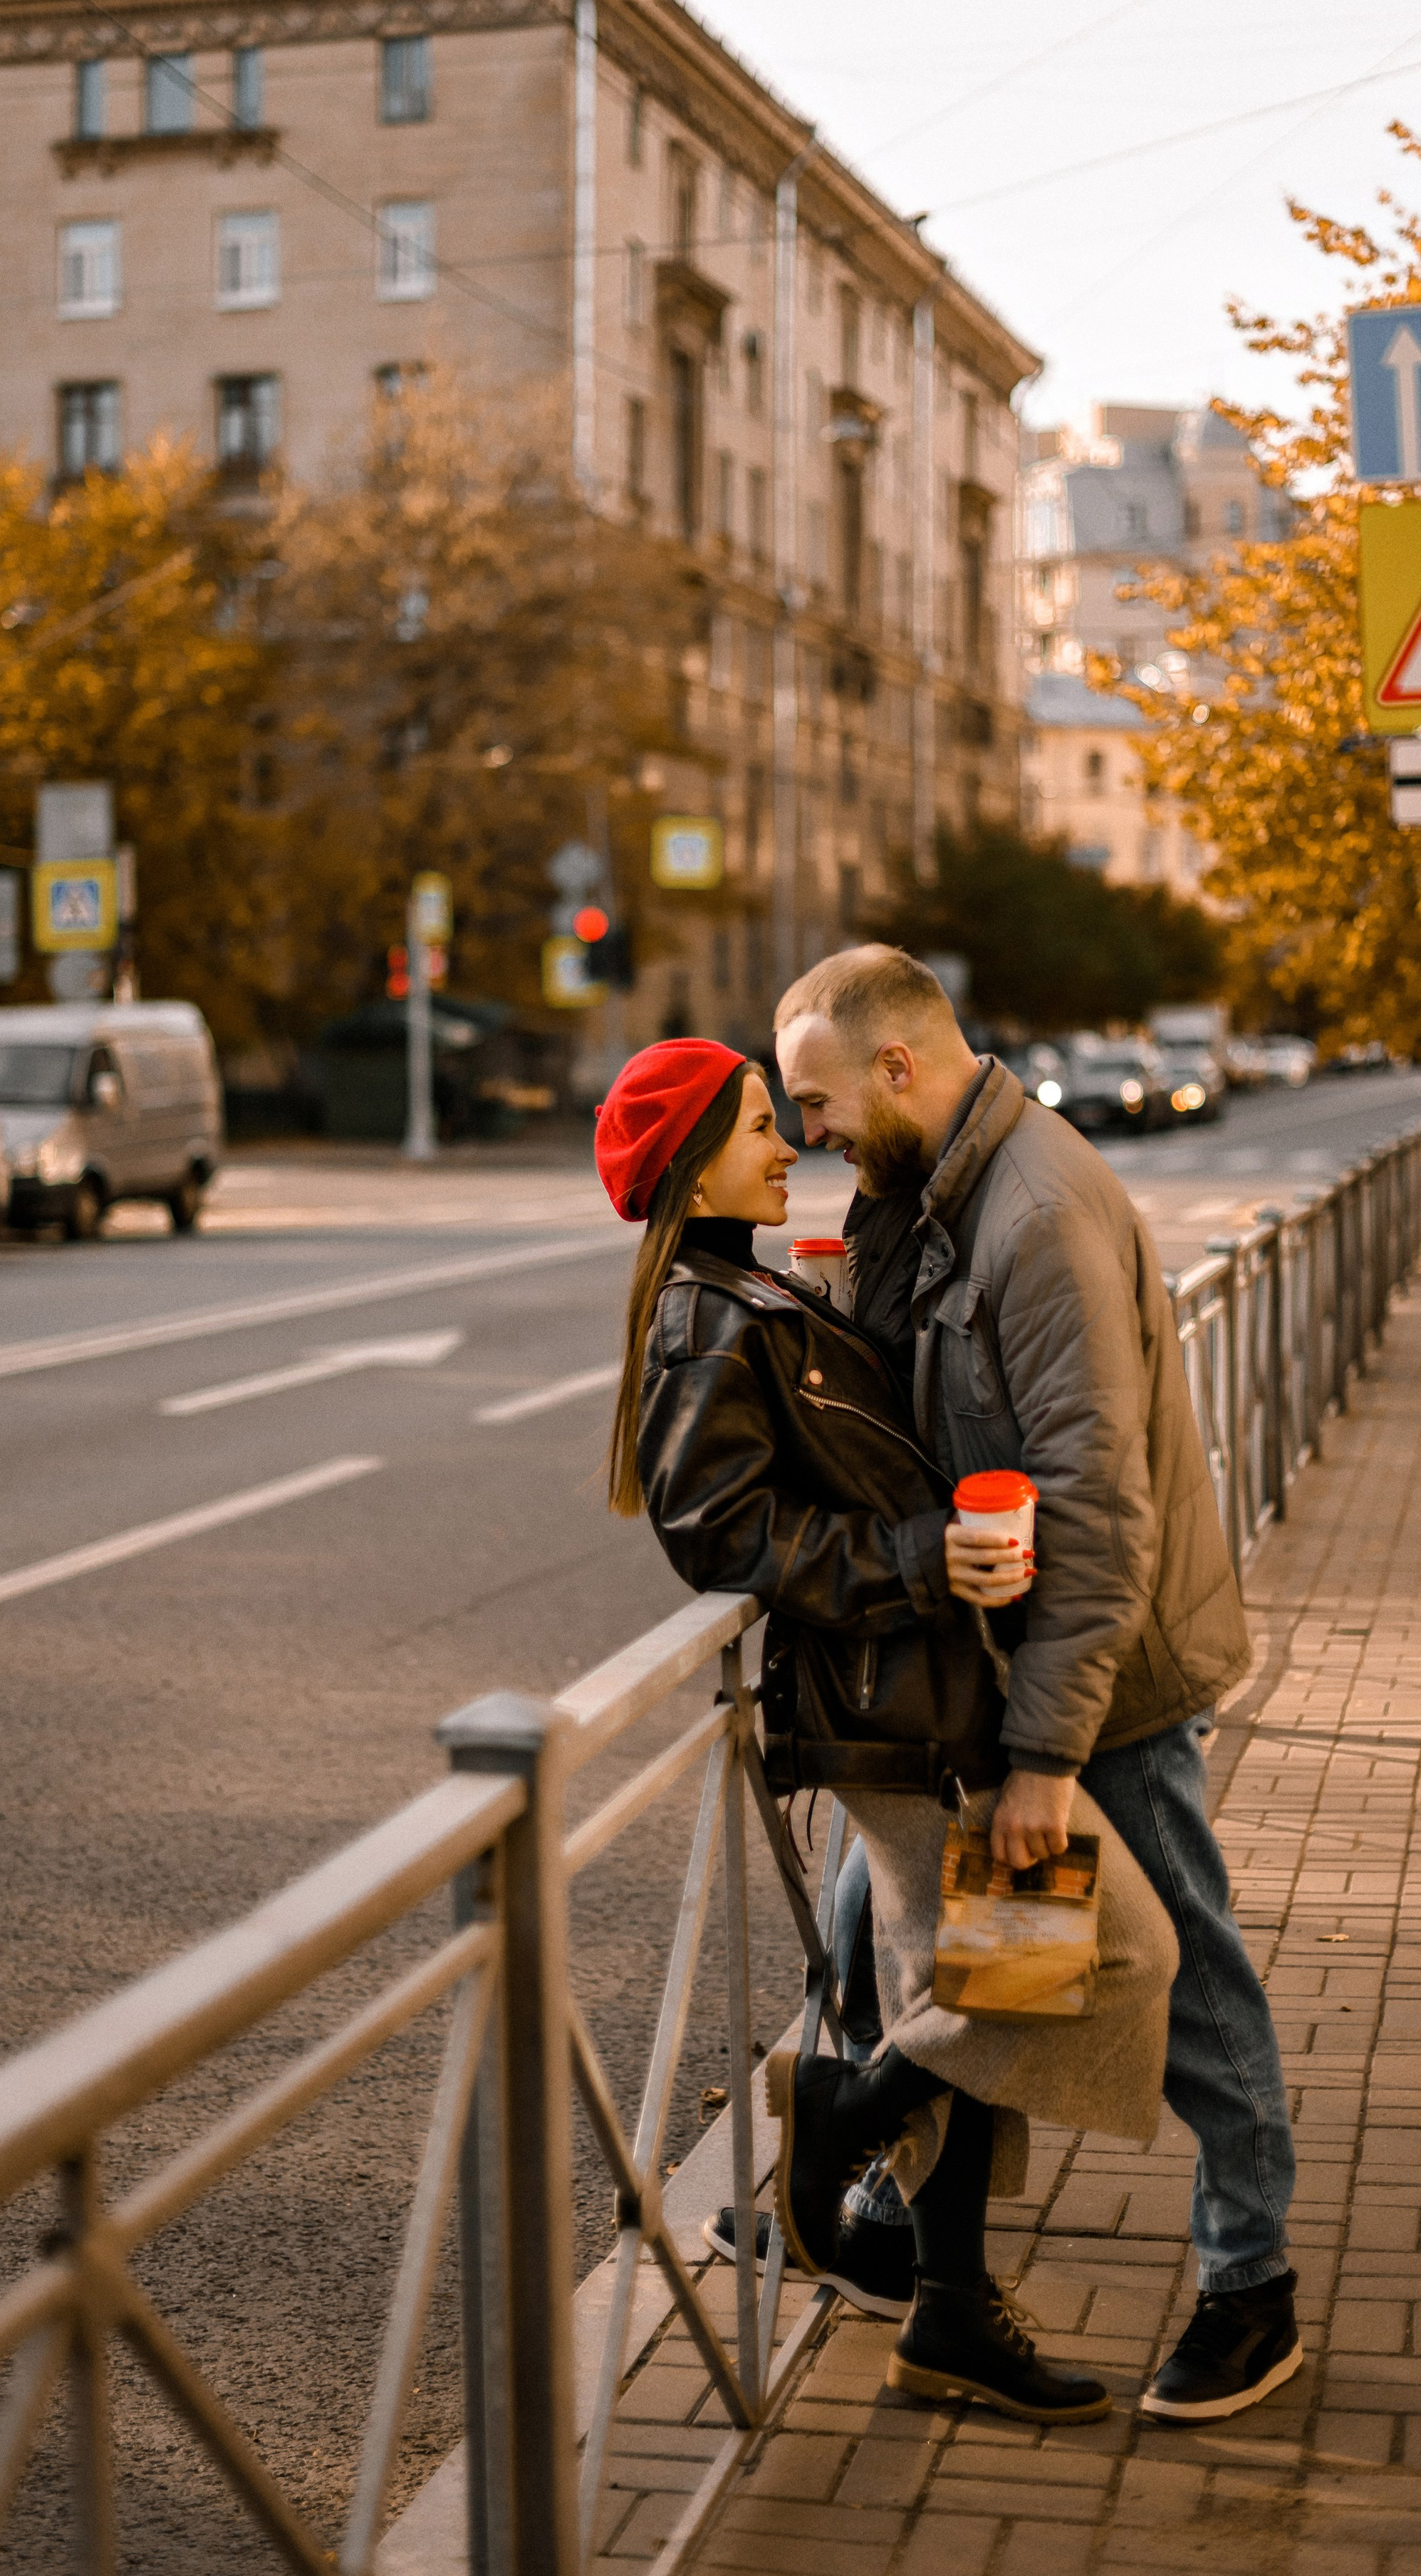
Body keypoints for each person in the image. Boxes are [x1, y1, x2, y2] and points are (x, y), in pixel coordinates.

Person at [596, 1036, 1180, 2426]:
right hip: (890, 1713)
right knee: (1087, 1957)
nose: (783, 1143)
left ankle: (946, 2303)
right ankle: (842, 2122)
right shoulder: (706, 1318)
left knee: (1005, 1976)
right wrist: (922, 1556)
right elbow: (718, 1533)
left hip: (940, 1692)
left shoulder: (760, 1285)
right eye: (755, 1126)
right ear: (692, 1166)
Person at [773, 948, 1303, 2428]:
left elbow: (1098, 1502)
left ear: (896, 1068)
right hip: (1000, 1668)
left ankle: (1248, 2288)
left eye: (815, 1101)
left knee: (1180, 1969)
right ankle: (915, 2251)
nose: (808, 1130)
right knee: (963, 1944)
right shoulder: (924, 1192)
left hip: (1103, 1673)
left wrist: (1044, 1755)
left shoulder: (1038, 1211)